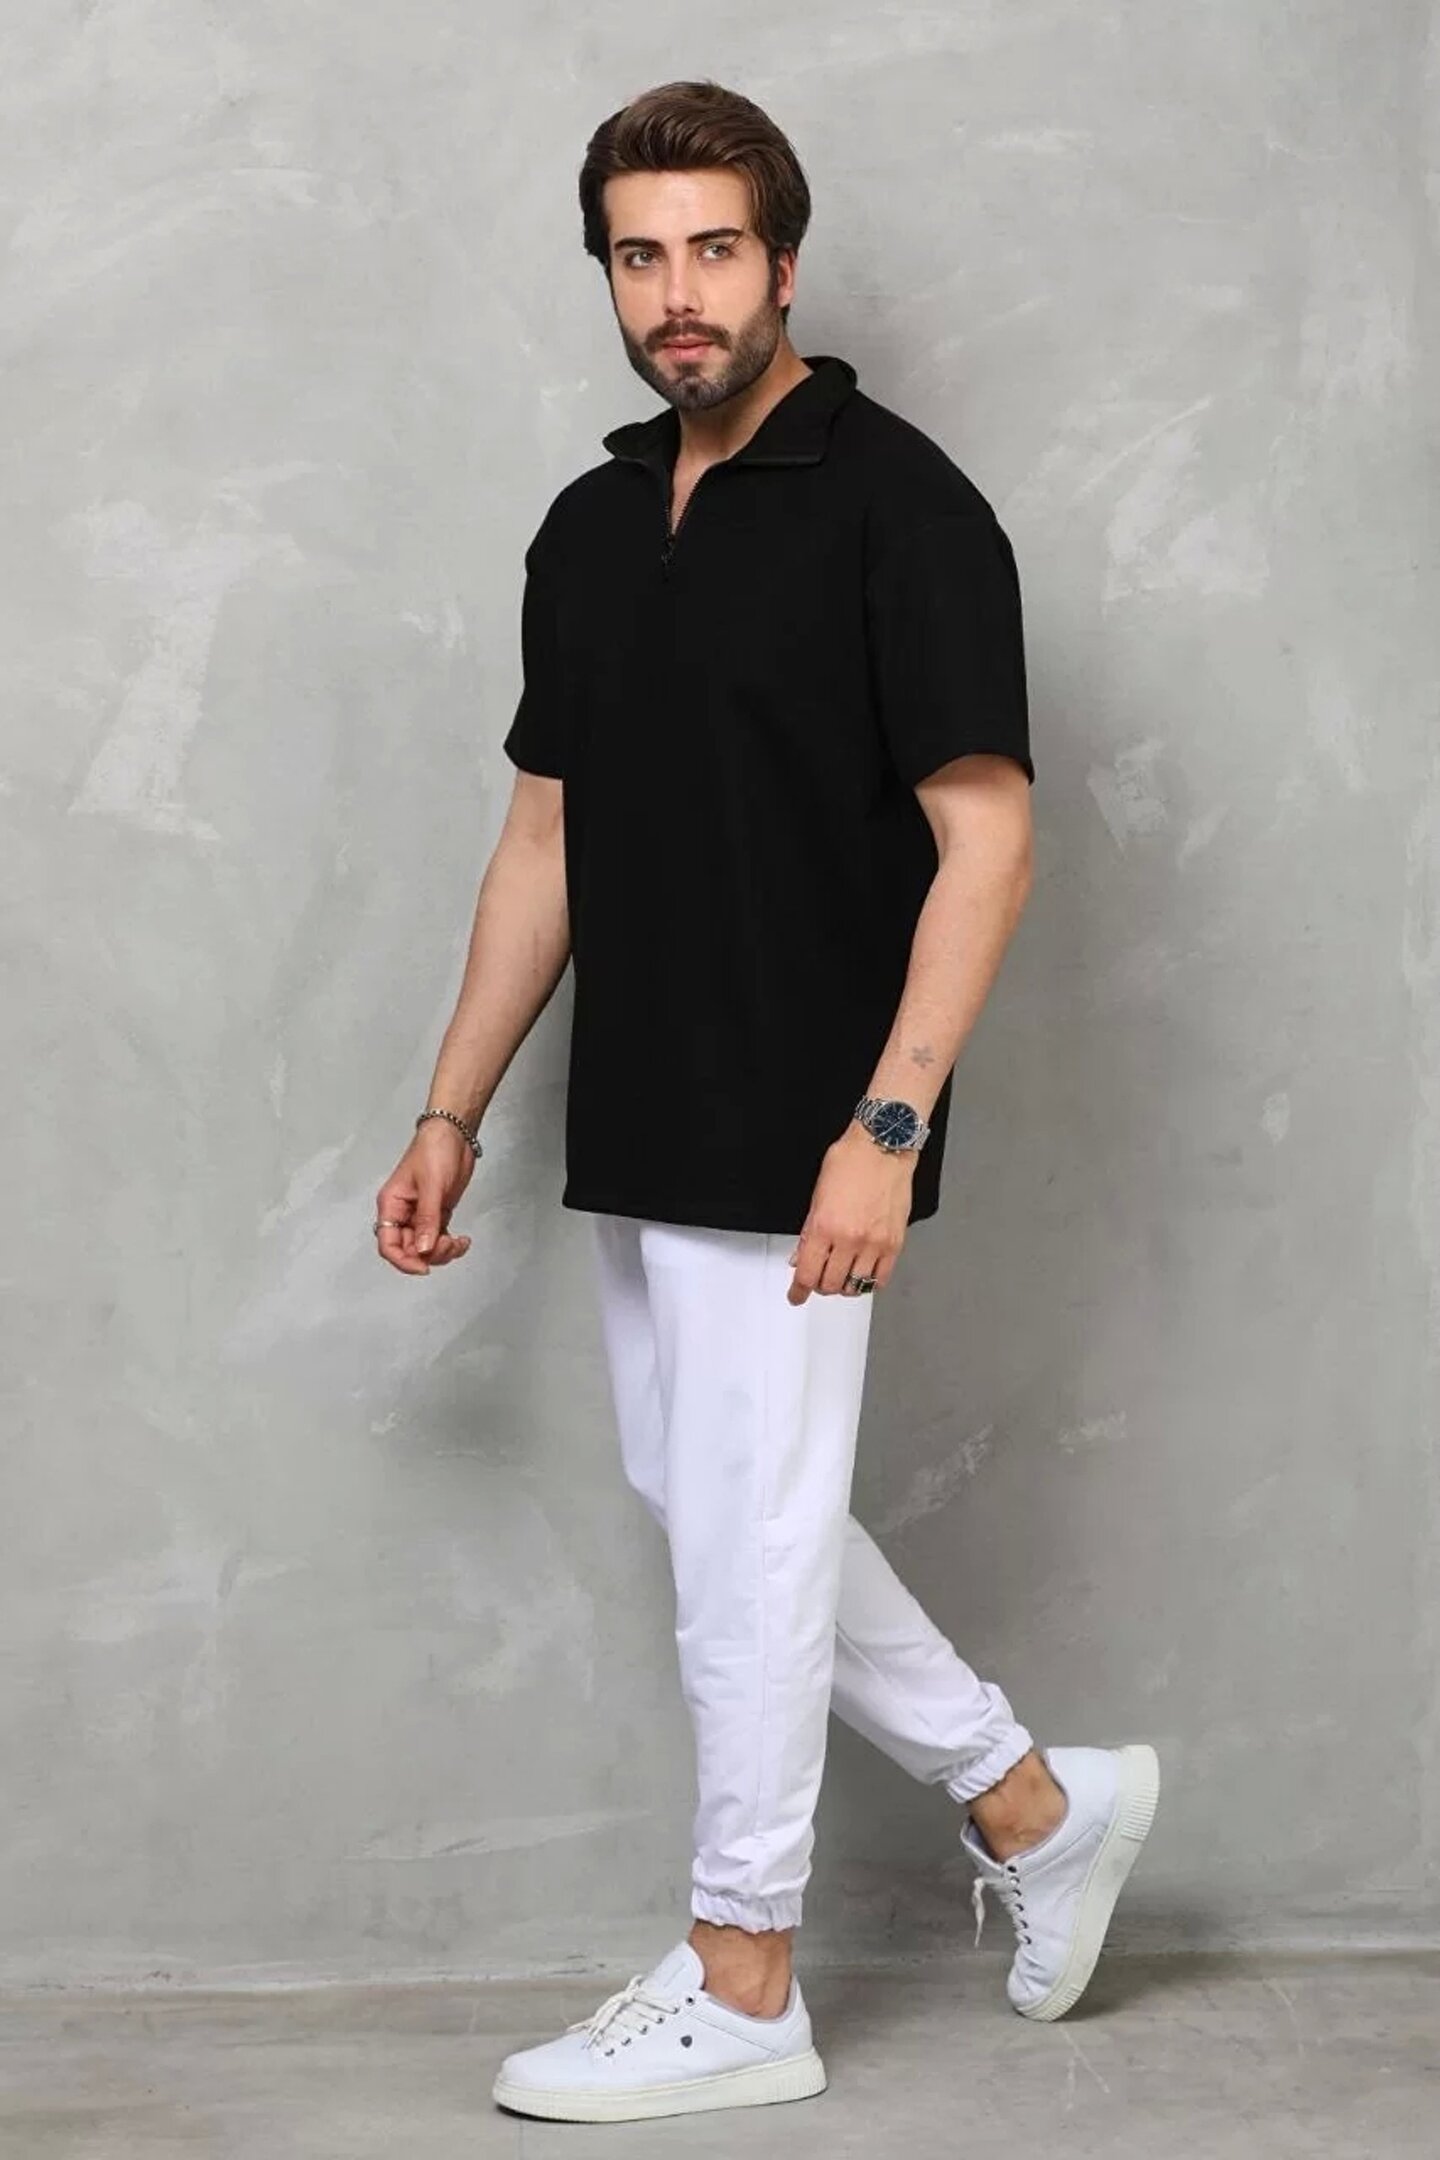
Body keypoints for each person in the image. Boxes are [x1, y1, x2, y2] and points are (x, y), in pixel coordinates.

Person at [373, 76, 1160, 2127]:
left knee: (747, 1538)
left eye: (714, 249)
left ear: (784, 263)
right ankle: (1032, 1804)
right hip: (648, 1100)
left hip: (817, 1117)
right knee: (719, 1505)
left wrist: (885, 1132)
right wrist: (453, 1109)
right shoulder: (591, 524)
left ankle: (744, 1976)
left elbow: (988, 844)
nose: (679, 293)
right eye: (641, 255)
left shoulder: (907, 510)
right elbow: (545, 837)